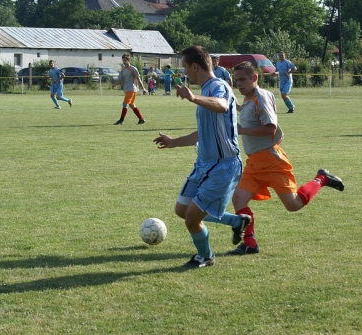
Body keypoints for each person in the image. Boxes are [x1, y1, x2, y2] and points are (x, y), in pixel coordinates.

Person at [204, 61, 344, 255]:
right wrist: (229, 101)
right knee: (239, 198)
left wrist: (242, 130)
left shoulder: (260, 97)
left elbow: (270, 127)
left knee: (293, 205)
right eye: (236, 81)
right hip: (254, 162)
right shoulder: (249, 98)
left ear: (255, 78)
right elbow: (246, 112)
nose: (239, 84)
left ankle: (322, 179)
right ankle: (250, 244)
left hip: (271, 160)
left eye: (243, 79)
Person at [153, 45, 248, 268]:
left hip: (224, 165)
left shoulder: (217, 86)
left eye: (185, 67)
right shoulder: (206, 90)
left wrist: (193, 97)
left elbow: (223, 105)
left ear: (195, 66)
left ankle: (205, 256)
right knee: (182, 210)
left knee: (192, 218)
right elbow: (202, 132)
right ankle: (236, 221)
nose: (185, 72)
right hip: (204, 163)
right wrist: (173, 142)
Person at [112, 53, 146, 125]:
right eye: (123, 60)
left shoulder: (133, 69)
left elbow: (139, 79)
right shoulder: (123, 70)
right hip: (127, 89)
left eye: (125, 60)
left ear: (128, 60)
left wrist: (143, 89)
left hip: (131, 89)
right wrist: (114, 84)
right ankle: (141, 119)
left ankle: (121, 120)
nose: (124, 62)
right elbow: (120, 79)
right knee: (132, 105)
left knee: (125, 104)